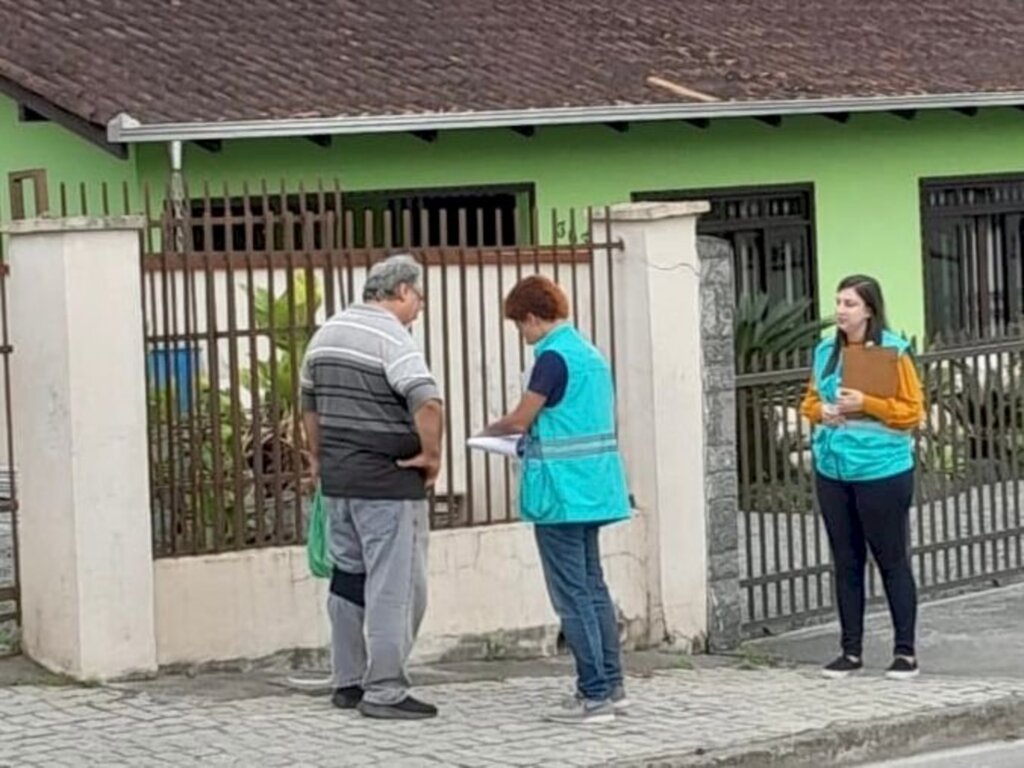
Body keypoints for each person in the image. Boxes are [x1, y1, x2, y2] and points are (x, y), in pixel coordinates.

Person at [482, 275, 631, 725]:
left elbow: (521, 420)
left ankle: (594, 694)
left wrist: (486, 432)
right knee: (594, 587)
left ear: (531, 317)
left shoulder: (551, 358)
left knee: (571, 595)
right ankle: (613, 684)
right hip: (596, 487)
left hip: (560, 492)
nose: (521, 334)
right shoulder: (589, 352)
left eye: (519, 325)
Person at [301, 254, 444, 720]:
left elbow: (309, 406)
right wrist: (431, 456)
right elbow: (427, 401)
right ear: (401, 291)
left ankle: (348, 681)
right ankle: (385, 689)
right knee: (394, 587)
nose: (420, 307)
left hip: (339, 483)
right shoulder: (392, 337)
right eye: (419, 296)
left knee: (348, 580)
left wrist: (319, 459)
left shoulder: (325, 334)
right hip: (387, 483)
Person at [800, 274, 925, 681]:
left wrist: (867, 402)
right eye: (838, 302)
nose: (841, 310)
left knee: (891, 559)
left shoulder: (893, 352)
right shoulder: (825, 351)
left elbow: (911, 412)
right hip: (833, 468)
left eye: (850, 304)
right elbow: (809, 401)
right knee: (846, 561)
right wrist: (821, 412)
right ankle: (850, 651)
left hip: (881, 470)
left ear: (869, 310)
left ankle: (905, 653)